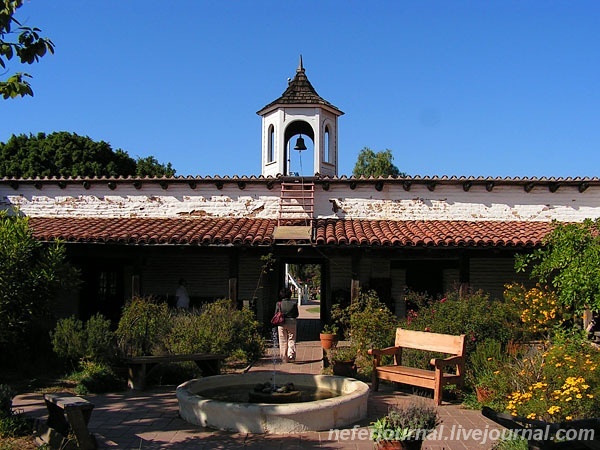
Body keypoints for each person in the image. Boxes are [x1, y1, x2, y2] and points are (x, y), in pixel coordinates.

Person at [276, 287, 299, 363]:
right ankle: (291, 353)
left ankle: (283, 357)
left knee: (282, 340)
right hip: (292, 322)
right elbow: (296, 314)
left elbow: (276, 314)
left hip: (281, 323)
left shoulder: (279, 304)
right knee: (291, 338)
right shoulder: (293, 304)